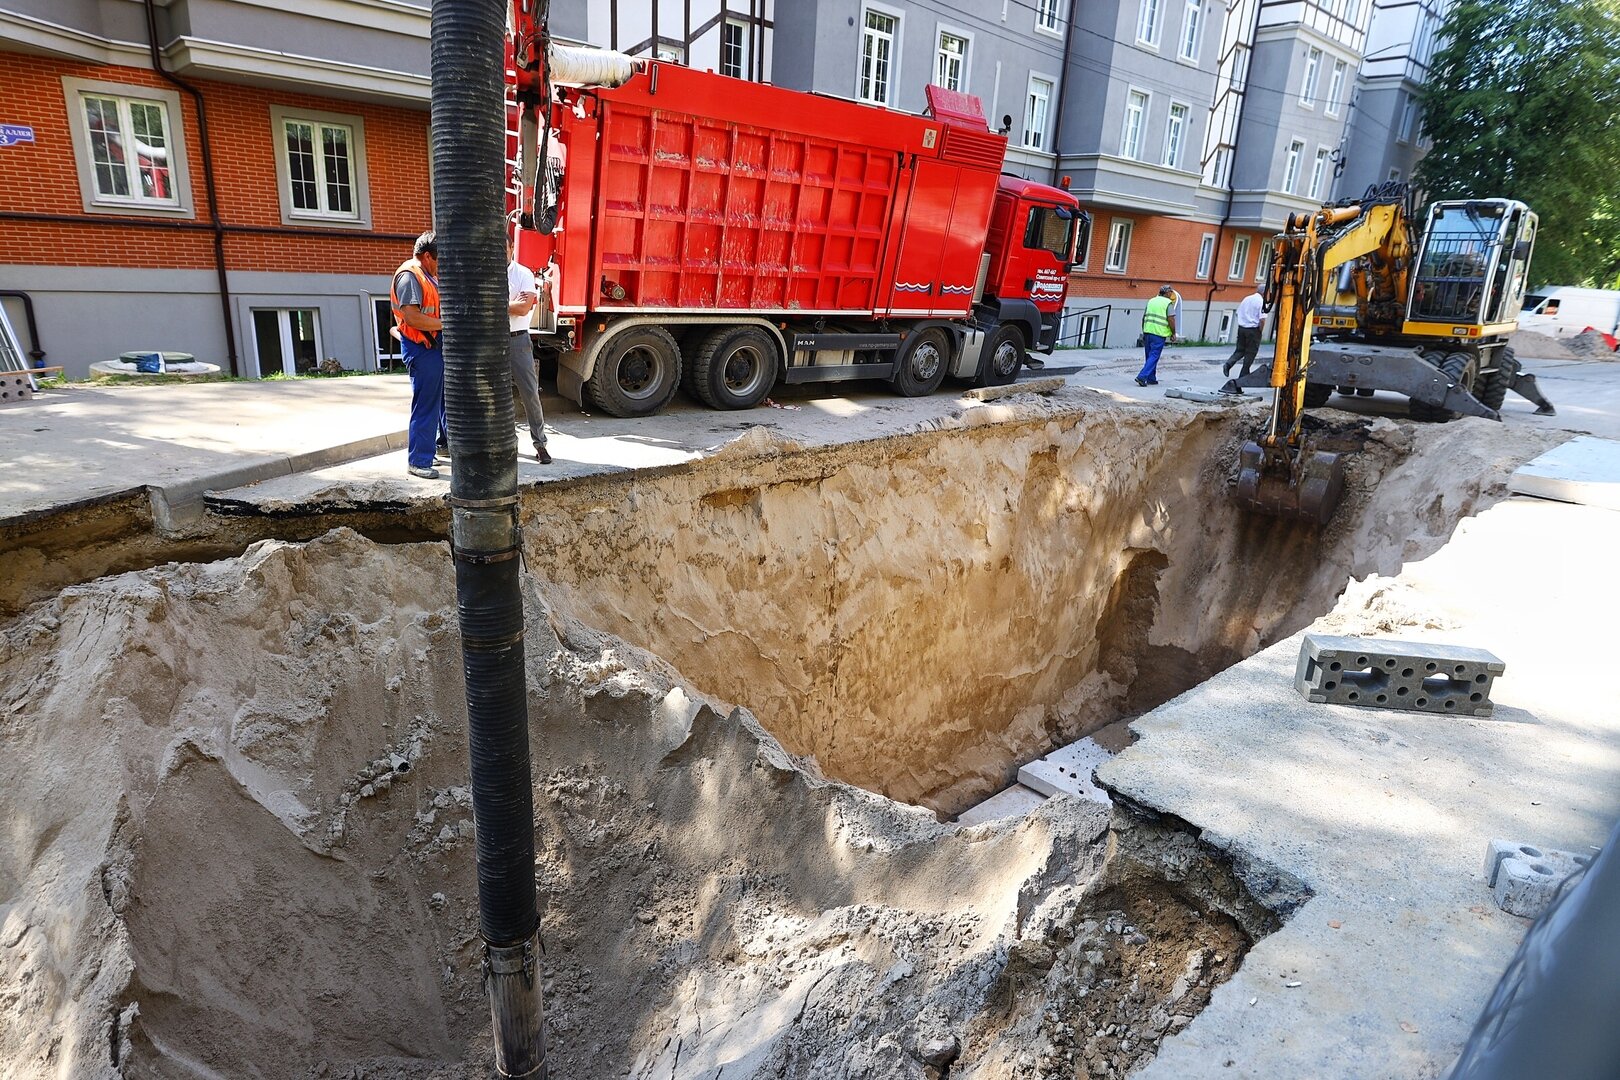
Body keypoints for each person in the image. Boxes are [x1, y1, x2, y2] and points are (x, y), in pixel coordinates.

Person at [392, 231, 445, 480]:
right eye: (438, 261)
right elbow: (412, 317)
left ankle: (440, 446)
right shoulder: (409, 276)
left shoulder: (426, 275)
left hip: (432, 346)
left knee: (442, 401)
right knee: (426, 404)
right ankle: (419, 460)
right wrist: (447, 324)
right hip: (422, 348)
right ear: (427, 256)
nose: (440, 267)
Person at [507, 236, 552, 464]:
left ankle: (540, 444)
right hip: (493, 341)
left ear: (512, 248)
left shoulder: (522, 273)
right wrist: (510, 304)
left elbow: (524, 308)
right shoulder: (488, 273)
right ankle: (508, 444)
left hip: (518, 341)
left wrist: (496, 304)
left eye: (503, 249)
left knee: (530, 393)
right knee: (498, 396)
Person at [1135, 284, 1178, 387]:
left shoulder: (1151, 301)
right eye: (1171, 292)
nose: (1171, 295)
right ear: (1167, 293)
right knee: (1154, 356)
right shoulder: (1168, 303)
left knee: (1149, 356)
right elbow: (1171, 319)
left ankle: (1151, 378)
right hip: (1159, 333)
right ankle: (1142, 376)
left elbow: (1144, 317)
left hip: (1148, 331)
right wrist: (1173, 333)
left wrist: (1144, 330)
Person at [1223, 286, 1266, 378]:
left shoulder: (1247, 299)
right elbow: (1262, 320)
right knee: (1251, 352)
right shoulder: (1261, 302)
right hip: (1253, 330)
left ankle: (1228, 364)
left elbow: (1238, 312)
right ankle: (1244, 372)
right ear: (1264, 292)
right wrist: (1260, 330)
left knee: (1240, 350)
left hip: (1242, 328)